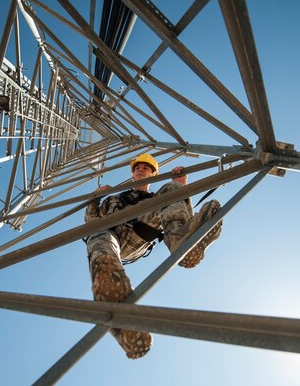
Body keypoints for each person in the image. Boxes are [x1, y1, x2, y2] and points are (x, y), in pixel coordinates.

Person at [84, 153, 223, 359]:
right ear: (133, 174)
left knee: (171, 189)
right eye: (137, 168)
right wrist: (95, 198)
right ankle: (122, 315)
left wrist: (180, 185)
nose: (141, 170)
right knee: (97, 236)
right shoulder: (114, 199)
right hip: (110, 237)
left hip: (139, 233)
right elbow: (91, 221)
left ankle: (183, 243)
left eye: (146, 168)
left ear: (153, 173)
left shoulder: (153, 199)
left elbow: (172, 199)